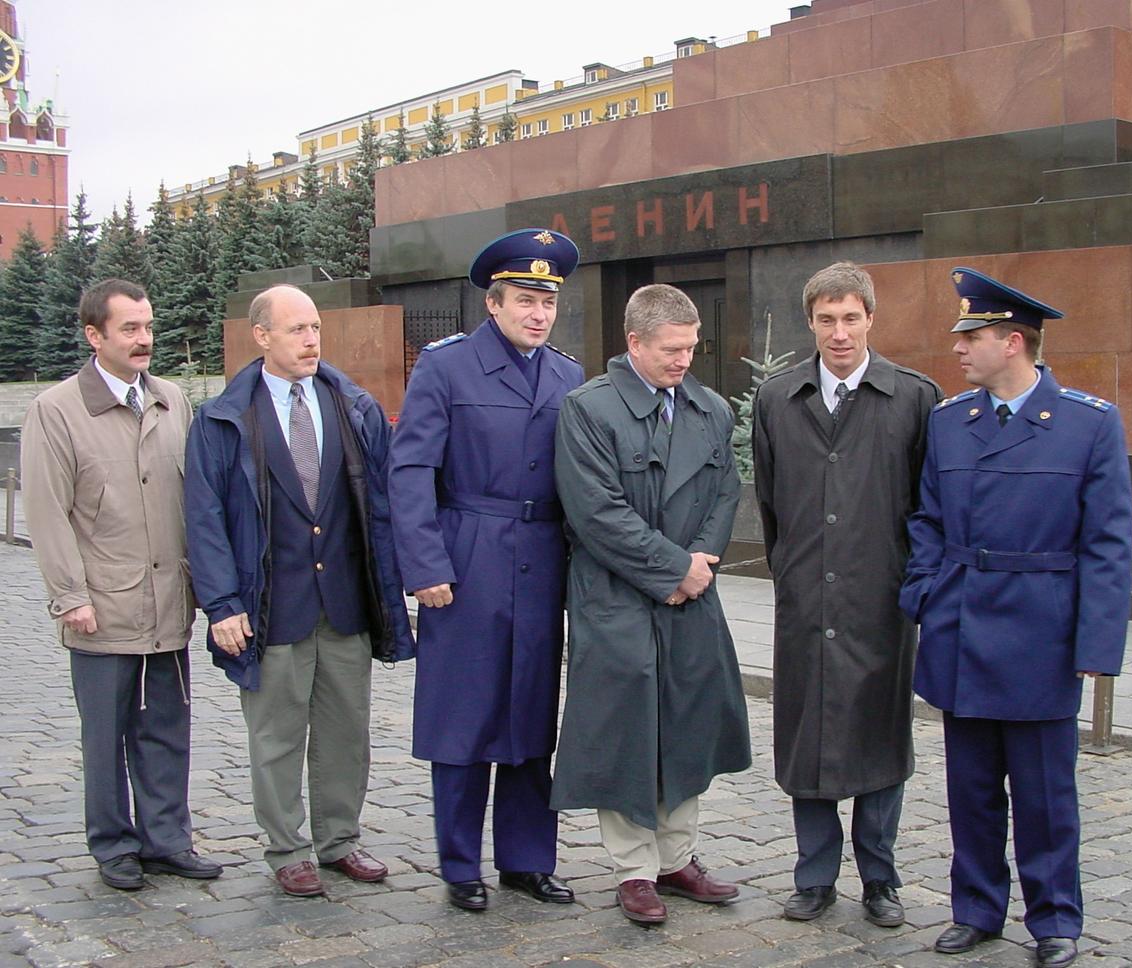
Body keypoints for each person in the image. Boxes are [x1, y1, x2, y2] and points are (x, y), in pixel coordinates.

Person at [900, 267, 1132, 968]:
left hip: (1041, 633)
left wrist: (1096, 645)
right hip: (963, 625)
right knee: (970, 790)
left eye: (970, 337)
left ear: (1012, 342)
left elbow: (1109, 543)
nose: (958, 349)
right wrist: (925, 593)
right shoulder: (951, 421)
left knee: (1045, 795)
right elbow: (927, 520)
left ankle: (1055, 918)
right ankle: (976, 909)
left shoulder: (1088, 423)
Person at [184, 284, 412, 897]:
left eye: (315, 328)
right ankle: (287, 848)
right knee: (276, 738)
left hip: (344, 604)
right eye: (297, 330)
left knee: (346, 734)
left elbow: (383, 502)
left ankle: (339, 840)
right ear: (261, 336)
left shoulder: (353, 406)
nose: (311, 341)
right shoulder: (223, 418)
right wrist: (222, 604)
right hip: (270, 605)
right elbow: (204, 517)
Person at [388, 228, 584, 912]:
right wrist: (424, 563)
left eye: (547, 302)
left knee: (532, 713)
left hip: (541, 557)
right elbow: (411, 470)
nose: (538, 313)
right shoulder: (446, 367)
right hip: (467, 554)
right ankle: (460, 863)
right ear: (493, 304)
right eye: (525, 300)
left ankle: (527, 859)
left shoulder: (567, 375)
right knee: (463, 714)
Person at [551, 283, 751, 926]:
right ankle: (634, 869)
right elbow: (594, 512)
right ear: (634, 342)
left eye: (691, 348)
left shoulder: (709, 408)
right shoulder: (588, 409)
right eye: (671, 349)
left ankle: (676, 857)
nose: (683, 360)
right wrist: (672, 569)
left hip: (691, 595)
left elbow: (725, 491)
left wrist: (701, 563)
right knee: (624, 731)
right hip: (616, 596)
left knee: (689, 724)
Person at [752, 262, 940, 924]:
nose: (839, 333)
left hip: (881, 602)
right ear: (810, 322)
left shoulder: (913, 398)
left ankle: (880, 880)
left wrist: (909, 584)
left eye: (851, 318)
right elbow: (770, 503)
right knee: (806, 737)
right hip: (806, 600)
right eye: (826, 319)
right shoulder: (778, 399)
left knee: (880, 739)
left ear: (870, 319)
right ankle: (814, 876)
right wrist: (792, 572)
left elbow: (927, 506)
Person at [21, 278, 222, 890]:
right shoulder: (57, 410)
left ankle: (167, 840)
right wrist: (70, 596)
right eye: (129, 328)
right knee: (105, 735)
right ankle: (113, 845)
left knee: (166, 729)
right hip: (102, 607)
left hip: (168, 602)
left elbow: (194, 500)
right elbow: (47, 511)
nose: (144, 339)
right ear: (95, 335)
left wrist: (206, 586)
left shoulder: (170, 400)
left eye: (148, 326)